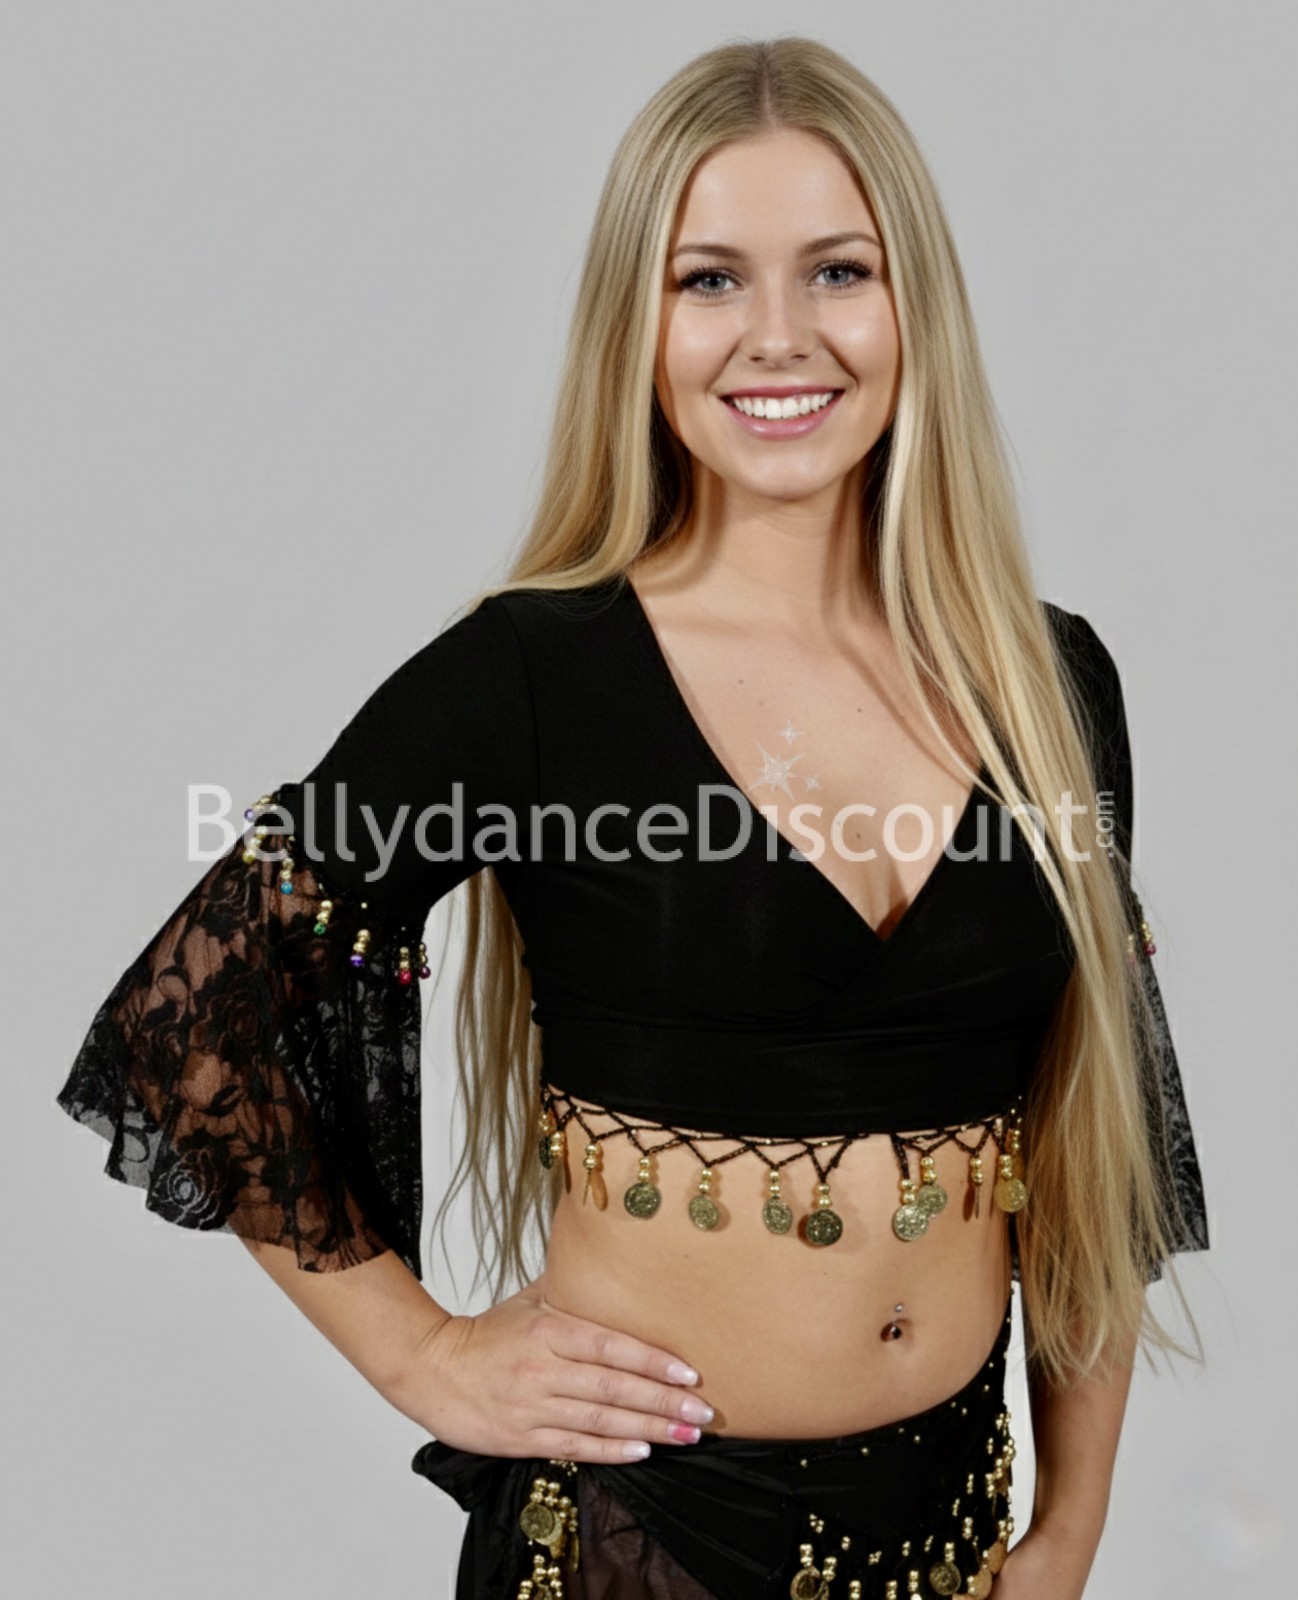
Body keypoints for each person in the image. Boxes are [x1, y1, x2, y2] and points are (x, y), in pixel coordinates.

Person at [56, 35, 1209, 1600]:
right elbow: (184, 1026)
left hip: (952, 1541)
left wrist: (1070, 1526)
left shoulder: (1051, 678)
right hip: (632, 1545)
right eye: (709, 281)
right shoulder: (533, 676)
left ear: (913, 306)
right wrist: (422, 1356)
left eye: (839, 271)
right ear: (637, 325)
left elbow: (1097, 1138)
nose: (778, 336)